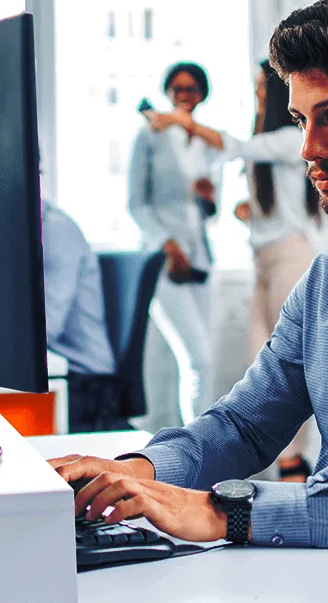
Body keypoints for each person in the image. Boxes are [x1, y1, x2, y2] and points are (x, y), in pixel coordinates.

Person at [49, 0, 328, 553]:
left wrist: (224, 513)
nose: (309, 148)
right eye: (302, 118)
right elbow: (243, 425)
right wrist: (138, 471)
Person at [228, 60, 314, 481]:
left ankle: (294, 464)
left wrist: (182, 125)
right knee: (256, 367)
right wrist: (246, 211)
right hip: (263, 261)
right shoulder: (268, 143)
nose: (259, 94)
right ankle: (276, 468)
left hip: (290, 259)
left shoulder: (288, 137)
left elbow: (236, 146)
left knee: (292, 373)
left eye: (263, 87)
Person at [128, 62, 220, 424]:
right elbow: (136, 204)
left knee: (205, 360)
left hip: (201, 260)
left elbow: (209, 213)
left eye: (192, 89)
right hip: (163, 260)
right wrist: (167, 244)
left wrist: (210, 199)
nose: (184, 96)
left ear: (202, 94)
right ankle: (198, 448)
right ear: (167, 91)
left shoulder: (205, 141)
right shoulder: (149, 135)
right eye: (178, 89)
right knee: (197, 358)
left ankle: (201, 444)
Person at [42, 199, 127, 432]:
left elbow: (45, 327)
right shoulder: (16, 228)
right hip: (59, 376)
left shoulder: (55, 231)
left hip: (86, 385)